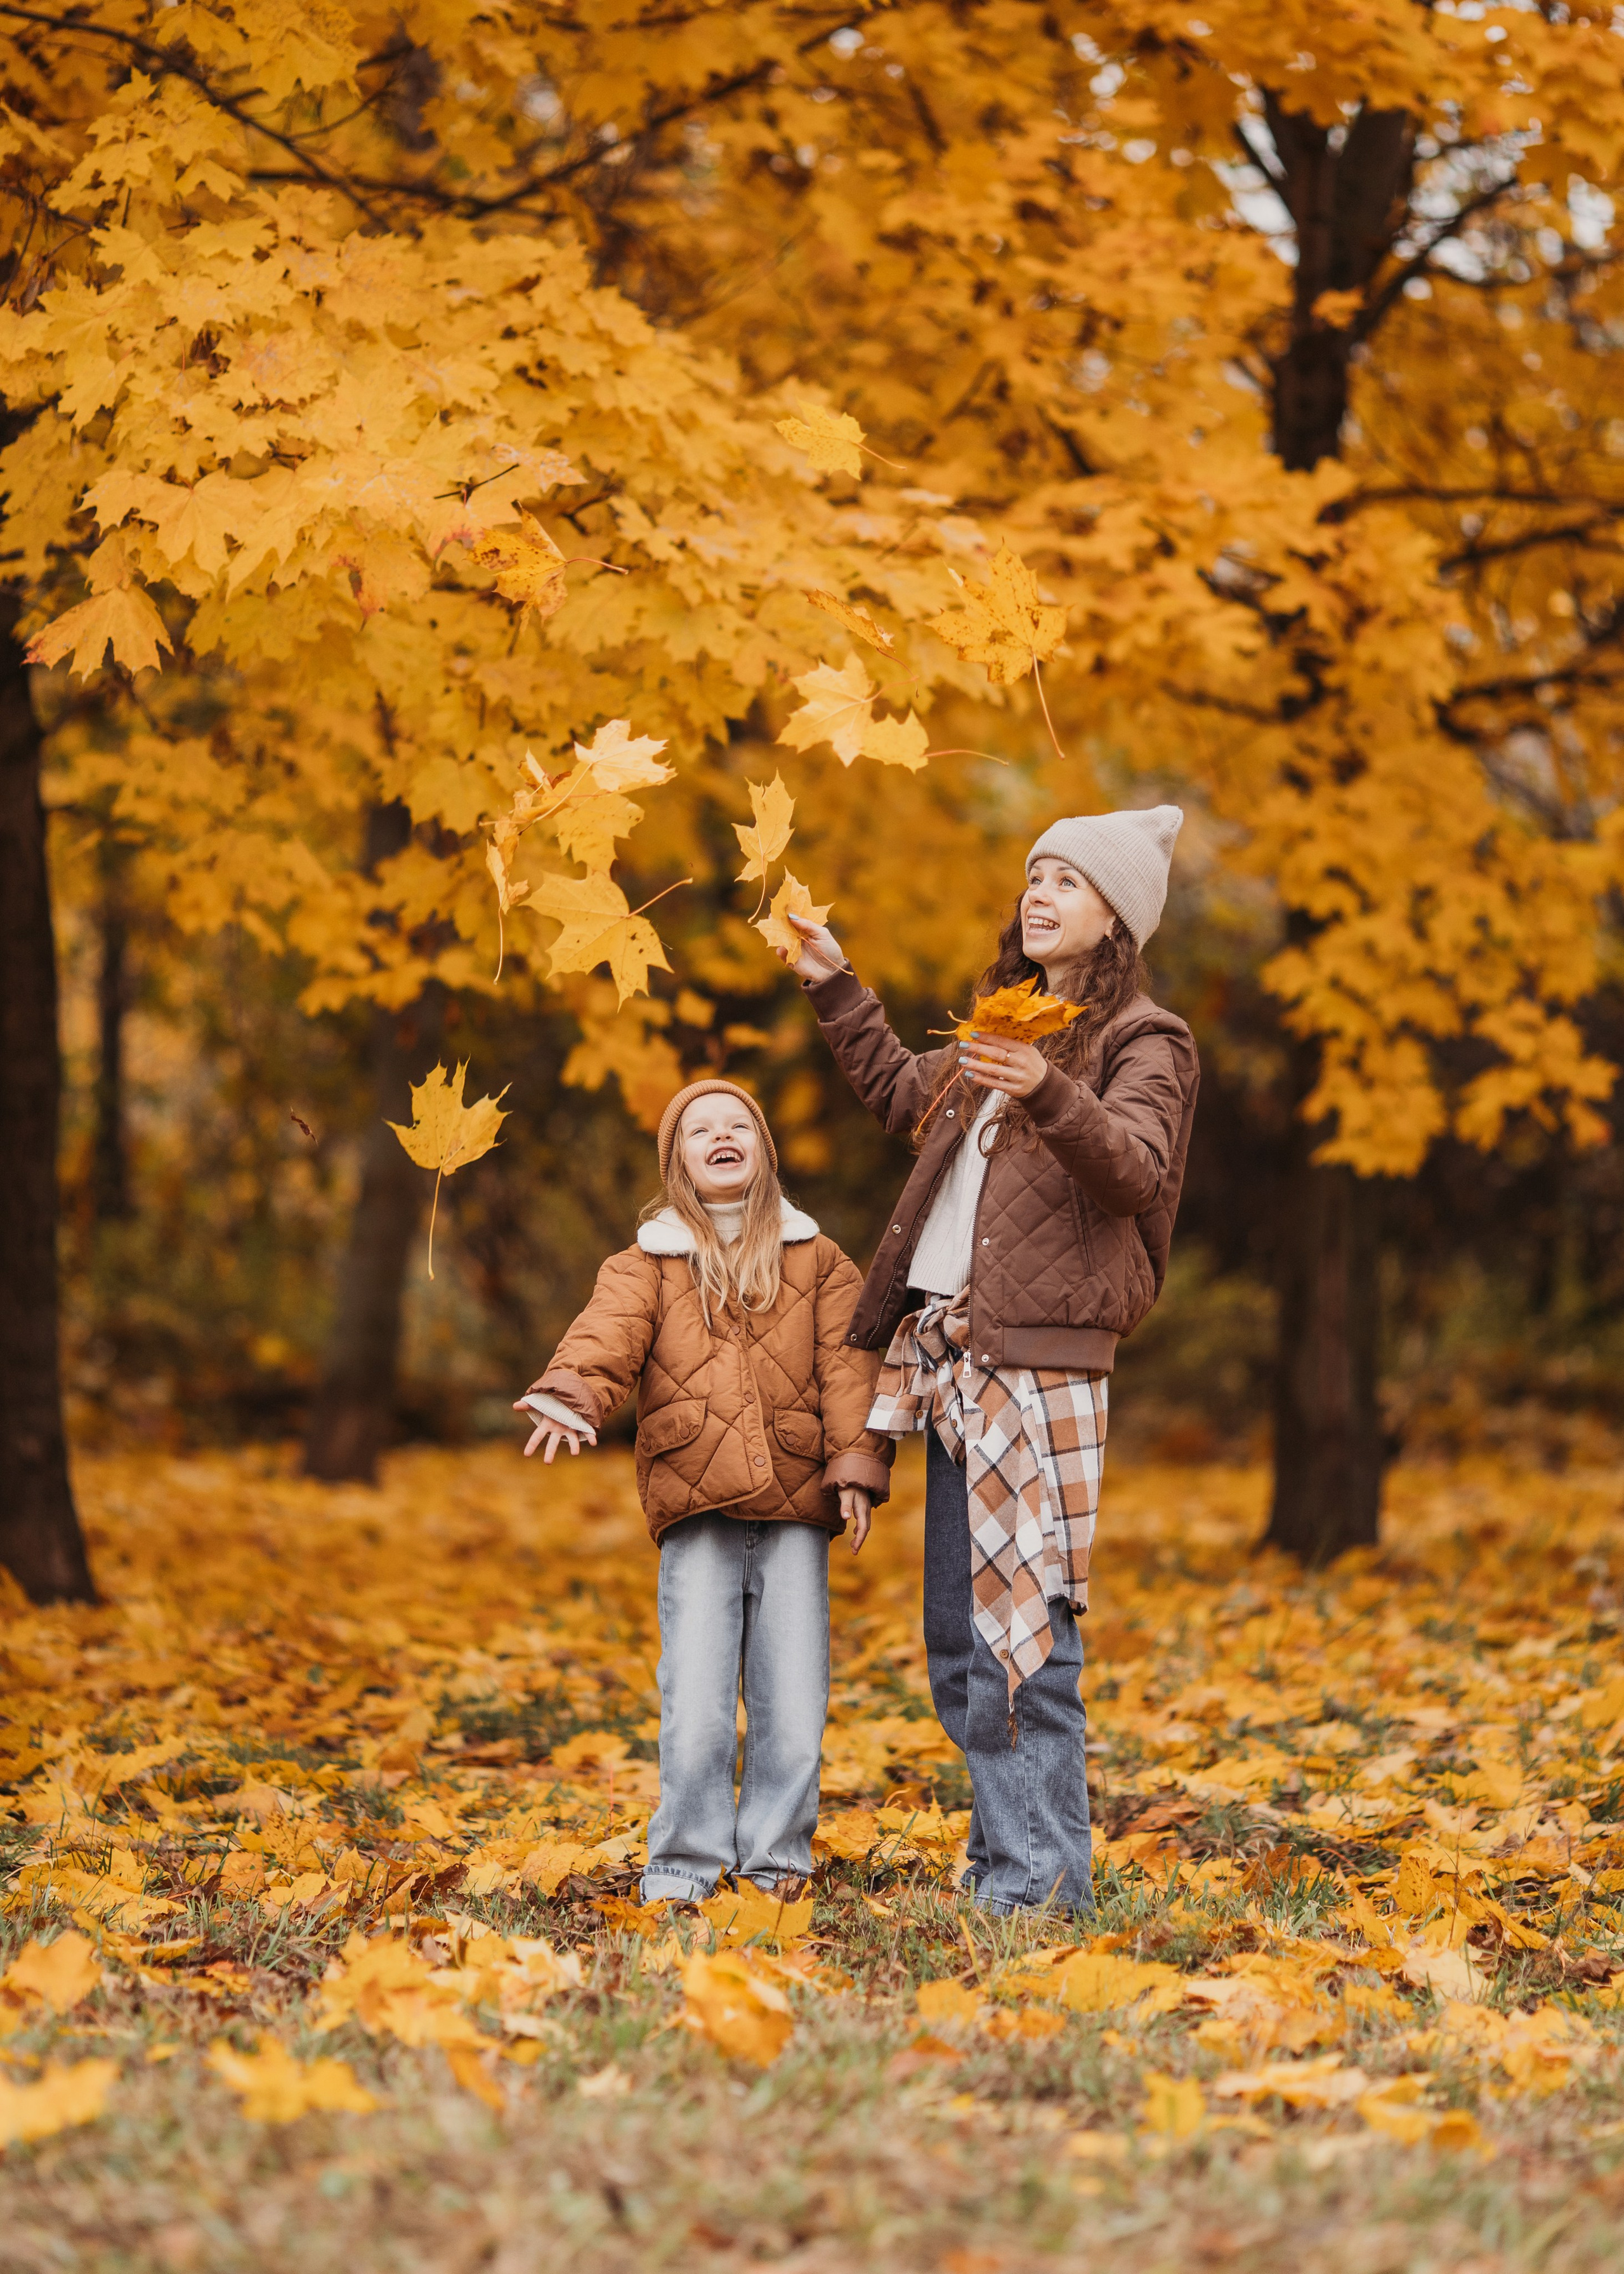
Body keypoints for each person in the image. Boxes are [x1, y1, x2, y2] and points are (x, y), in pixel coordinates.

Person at [780, 808, 1198, 1916]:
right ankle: (1006, 1868)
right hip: (950, 1360)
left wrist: (1047, 1089)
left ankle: (1042, 1893)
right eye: (1035, 877)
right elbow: (897, 1095)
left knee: (1024, 1646)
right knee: (964, 1642)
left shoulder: (1145, 1041)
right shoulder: (1003, 1030)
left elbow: (1138, 1173)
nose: (1040, 894)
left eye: (1067, 879)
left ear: (1116, 915)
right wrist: (834, 983)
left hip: (1039, 1371)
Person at [514, 1079, 890, 1905]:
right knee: (696, 1708)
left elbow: (850, 1369)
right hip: (696, 1507)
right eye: (699, 1131)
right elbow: (605, 1337)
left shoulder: (818, 1258)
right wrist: (571, 1389)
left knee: (792, 1704)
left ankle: (777, 1869)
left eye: (737, 1126)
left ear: (762, 1148)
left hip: (794, 1508)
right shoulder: (645, 1263)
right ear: (677, 1161)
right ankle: (682, 1869)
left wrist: (857, 1463)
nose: (721, 1137)